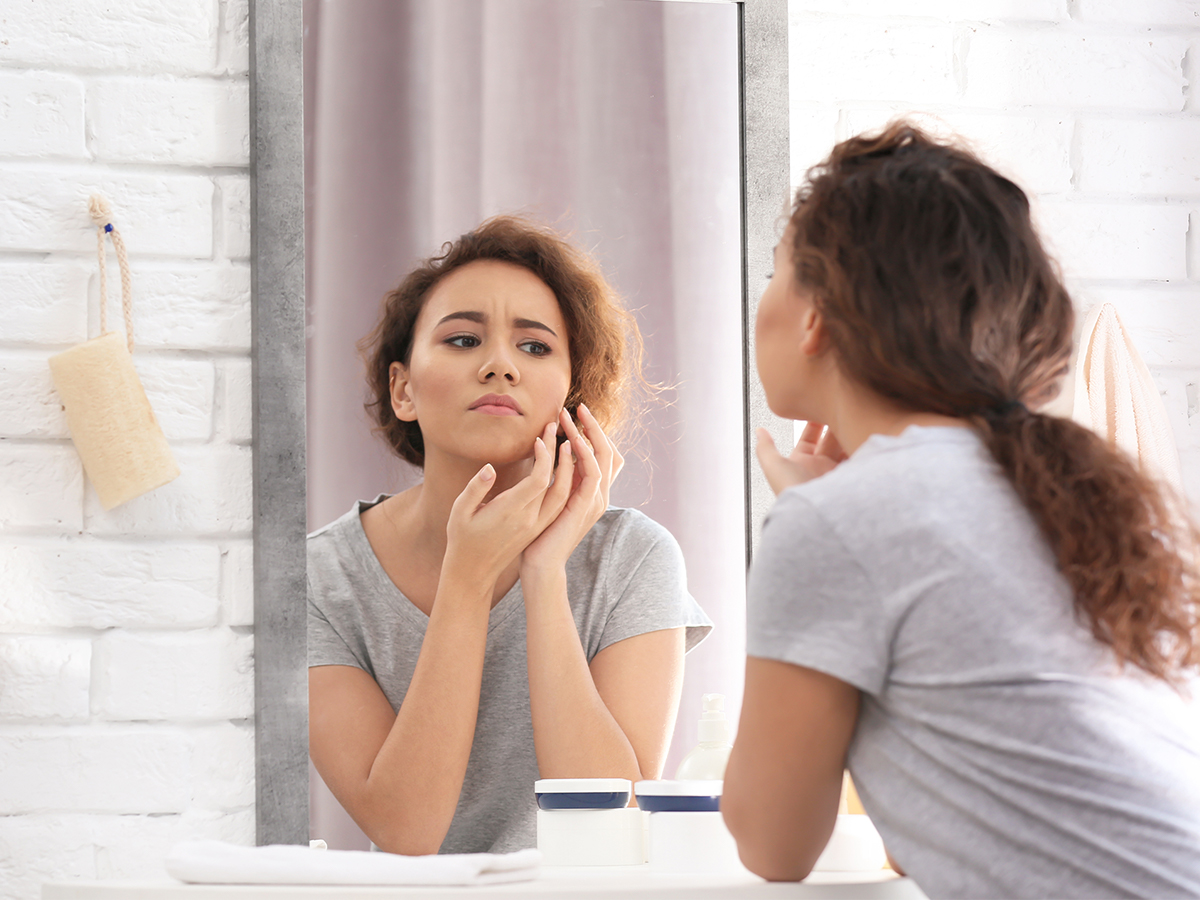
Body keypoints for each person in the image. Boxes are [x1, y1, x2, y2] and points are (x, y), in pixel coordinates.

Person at [721, 123, 1200, 898]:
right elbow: (949, 833)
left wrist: (819, 522)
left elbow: (773, 844)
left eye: (776, 275)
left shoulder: (838, 522)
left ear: (815, 317)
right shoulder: (1068, 490)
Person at [307, 215, 711, 855]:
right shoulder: (322, 580)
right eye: (463, 340)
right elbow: (407, 831)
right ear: (403, 388)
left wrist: (544, 573)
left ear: (571, 395)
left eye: (534, 347)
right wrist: (465, 578)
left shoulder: (633, 557)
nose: (499, 365)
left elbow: (614, 820)